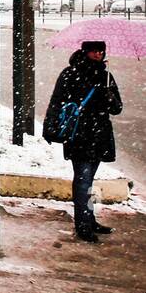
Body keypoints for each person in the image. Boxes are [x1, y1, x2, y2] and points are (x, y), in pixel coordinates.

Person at [43, 40, 122, 243]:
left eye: (101, 51)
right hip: (79, 135)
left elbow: (117, 108)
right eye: (95, 50)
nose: (99, 54)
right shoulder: (70, 73)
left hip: (99, 135)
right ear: (85, 51)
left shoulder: (105, 77)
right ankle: (83, 225)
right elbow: (57, 101)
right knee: (83, 179)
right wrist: (50, 126)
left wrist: (109, 96)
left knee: (87, 181)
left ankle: (88, 218)